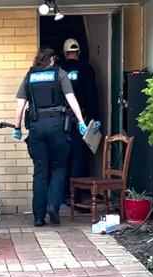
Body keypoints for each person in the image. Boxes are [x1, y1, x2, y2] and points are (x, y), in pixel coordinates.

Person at [12, 47, 88, 227]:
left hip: (36, 128)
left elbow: (20, 105)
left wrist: (17, 127)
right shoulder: (60, 74)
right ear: (53, 59)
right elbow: (72, 100)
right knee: (59, 167)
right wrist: (81, 121)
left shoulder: (29, 76)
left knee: (40, 170)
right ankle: (53, 206)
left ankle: (38, 216)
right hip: (57, 127)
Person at [59, 38, 100, 206]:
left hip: (60, 120)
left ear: (64, 53)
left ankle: (63, 194)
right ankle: (76, 194)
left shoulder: (59, 70)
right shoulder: (86, 69)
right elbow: (91, 94)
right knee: (79, 156)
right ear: (79, 52)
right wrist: (95, 117)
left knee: (62, 157)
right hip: (80, 119)